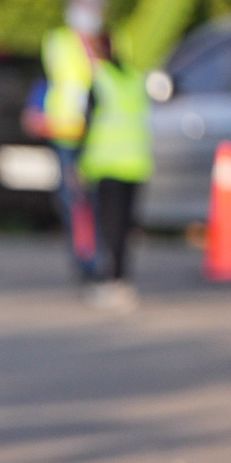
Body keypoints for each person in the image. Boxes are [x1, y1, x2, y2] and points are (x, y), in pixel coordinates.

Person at [30, 0, 109, 283]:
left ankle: (102, 256)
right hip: (65, 130)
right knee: (72, 199)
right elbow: (46, 78)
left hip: (101, 133)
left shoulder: (109, 41)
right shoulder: (57, 41)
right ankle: (85, 259)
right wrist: (35, 108)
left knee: (98, 199)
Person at [78, 32, 153, 312]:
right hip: (135, 162)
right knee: (124, 228)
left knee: (108, 229)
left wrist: (80, 163)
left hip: (107, 163)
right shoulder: (134, 78)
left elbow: (87, 123)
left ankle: (111, 282)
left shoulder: (100, 80)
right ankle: (122, 280)